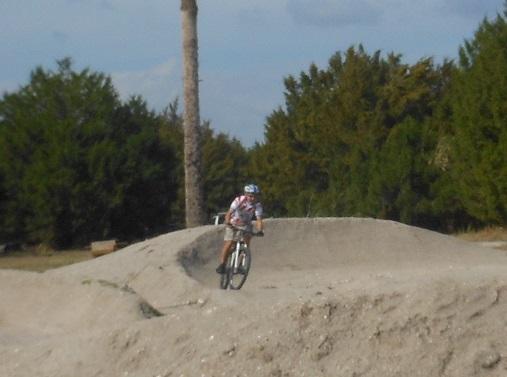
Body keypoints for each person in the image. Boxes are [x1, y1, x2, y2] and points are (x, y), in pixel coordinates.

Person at [216, 183, 264, 274]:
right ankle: (222, 264)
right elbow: (229, 213)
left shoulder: (257, 205)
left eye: (255, 196)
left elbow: (259, 219)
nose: (252, 198)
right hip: (233, 223)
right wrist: (227, 221)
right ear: (246, 194)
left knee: (246, 245)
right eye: (250, 196)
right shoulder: (238, 200)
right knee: (229, 243)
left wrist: (260, 230)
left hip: (246, 225)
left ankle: (240, 265)